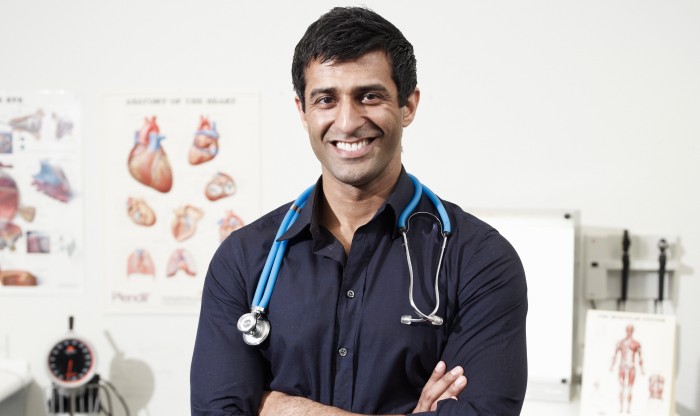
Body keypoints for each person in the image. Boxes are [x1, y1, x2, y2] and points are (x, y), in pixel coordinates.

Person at [191, 6, 528, 415]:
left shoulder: (478, 259)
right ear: (302, 111)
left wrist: (280, 407)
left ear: (408, 105)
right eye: (326, 99)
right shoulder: (244, 260)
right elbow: (215, 409)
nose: (347, 122)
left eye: (369, 96)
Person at [610, 324, 644, 414]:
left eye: (631, 330)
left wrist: (642, 370)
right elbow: (615, 355)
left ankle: (628, 409)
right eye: (628, 330)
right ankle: (621, 408)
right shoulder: (620, 343)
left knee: (630, 388)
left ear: (633, 331)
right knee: (621, 388)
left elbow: (640, 358)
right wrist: (612, 366)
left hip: (631, 367)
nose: (629, 332)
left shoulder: (636, 344)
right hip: (622, 366)